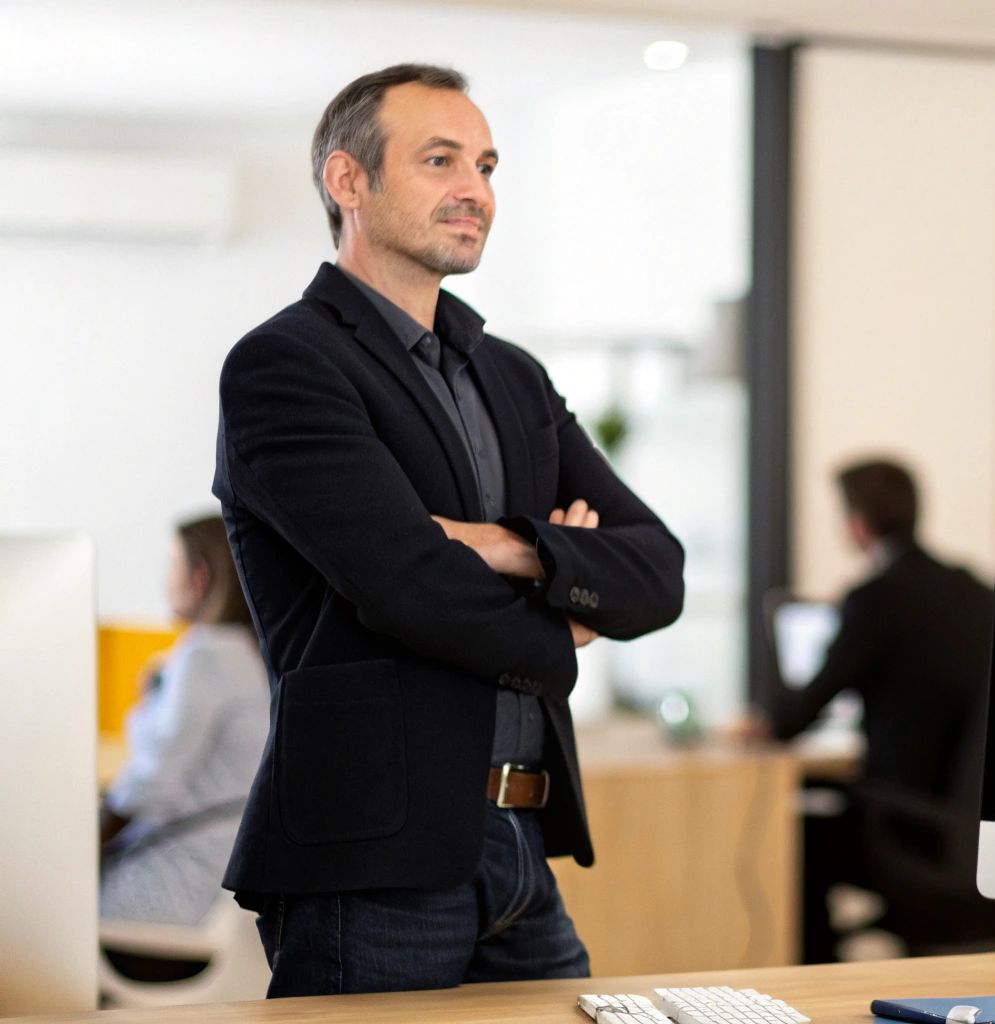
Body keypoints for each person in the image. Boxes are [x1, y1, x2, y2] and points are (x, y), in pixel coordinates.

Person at [213, 63, 684, 996]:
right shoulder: (284, 365)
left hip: (522, 844)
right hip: (372, 855)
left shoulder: (511, 376)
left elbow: (658, 570)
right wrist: (568, 615)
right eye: (440, 160)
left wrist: (509, 546)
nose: (476, 189)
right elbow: (409, 586)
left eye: (487, 164)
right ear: (349, 181)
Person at [754, 459, 995, 960]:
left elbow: (796, 716)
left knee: (800, 836)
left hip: (907, 830)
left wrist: (758, 724)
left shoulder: (874, 599)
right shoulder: (978, 593)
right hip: (971, 830)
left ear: (858, 524)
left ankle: (814, 986)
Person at [100, 515, 268, 938]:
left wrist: (79, 848)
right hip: (227, 890)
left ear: (199, 576)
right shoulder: (253, 652)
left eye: (171, 564)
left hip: (172, 892)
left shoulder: (207, 656)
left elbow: (149, 786)